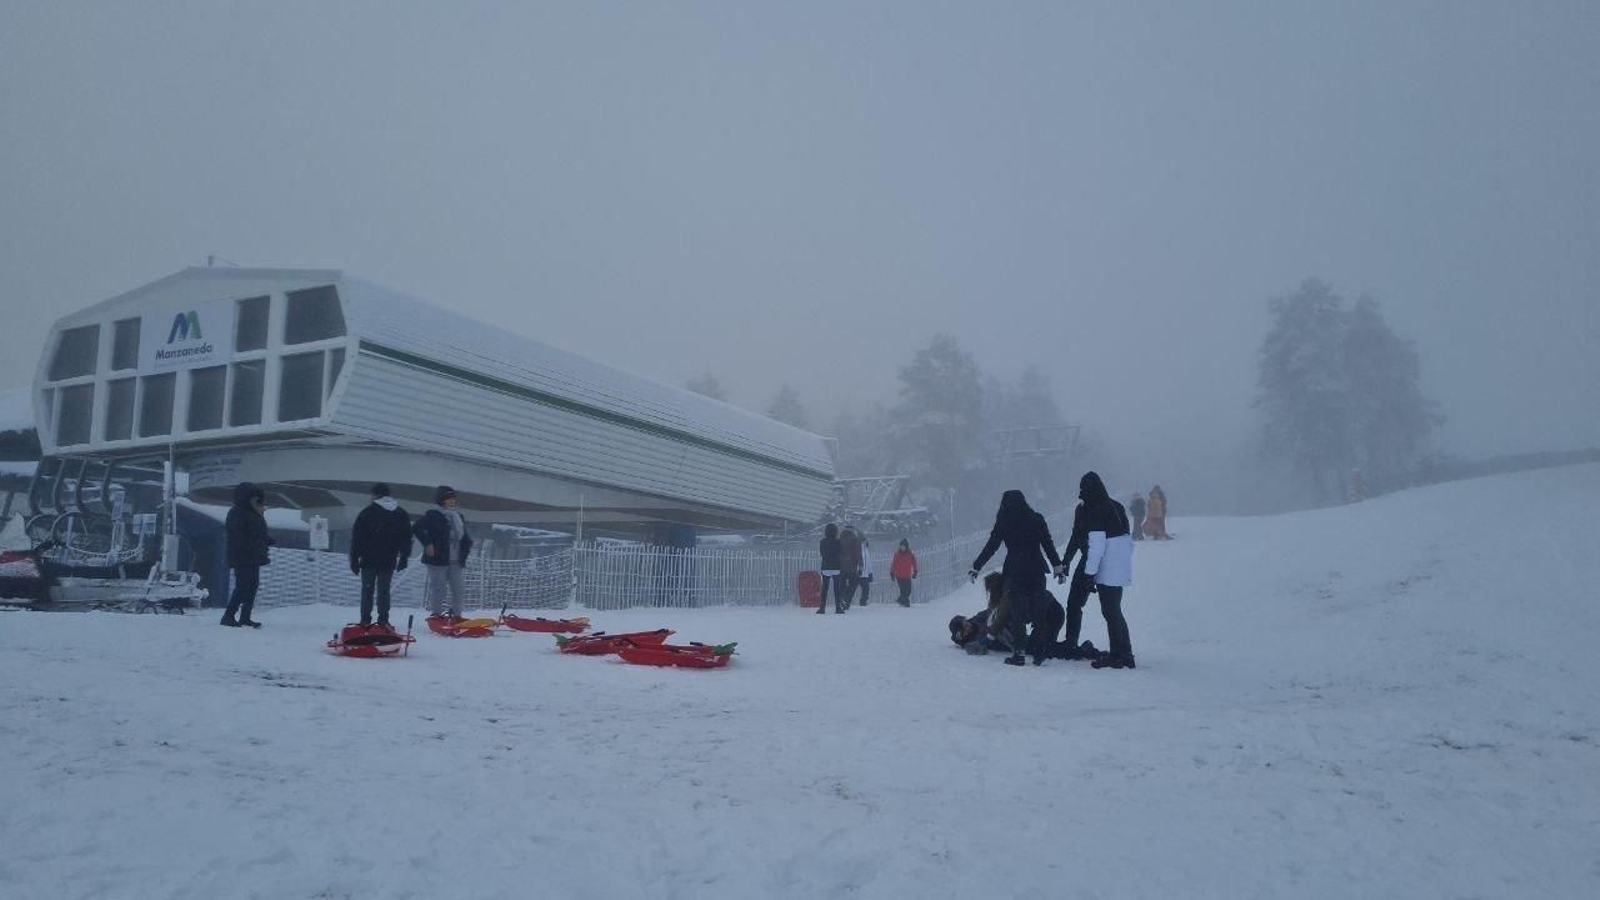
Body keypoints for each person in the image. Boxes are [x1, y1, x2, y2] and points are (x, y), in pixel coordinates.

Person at [968, 489, 1065, 666]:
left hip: (1016, 572)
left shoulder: (1004, 521)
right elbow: (1048, 545)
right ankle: (1040, 653)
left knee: (1018, 613)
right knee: (1038, 611)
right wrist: (1057, 567)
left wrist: (977, 566)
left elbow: (992, 546)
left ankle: (1019, 653)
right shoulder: (1036, 519)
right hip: (1036, 570)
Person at [1060, 471, 1136, 669]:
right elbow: (1078, 536)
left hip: (1097, 562)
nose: (1081, 495)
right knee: (1107, 608)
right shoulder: (1114, 508)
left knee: (1107, 609)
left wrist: (1089, 574)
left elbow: (1096, 545)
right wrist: (1066, 561)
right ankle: (1124, 652)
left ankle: (1118, 654)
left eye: (1083, 490)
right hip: (1109, 563)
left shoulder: (1097, 510)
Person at [951, 572, 1067, 659]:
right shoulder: (973, 638)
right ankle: (1074, 649)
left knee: (1042, 647)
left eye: (966, 622)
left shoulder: (1006, 599)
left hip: (1047, 616)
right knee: (1041, 647)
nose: (968, 626)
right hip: (1015, 637)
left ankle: (1075, 650)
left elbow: (991, 613)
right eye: (965, 627)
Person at [349, 482, 412, 628]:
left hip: (369, 559)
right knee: (384, 591)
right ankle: (383, 621)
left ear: (375, 495)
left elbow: (357, 538)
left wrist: (354, 559)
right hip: (388, 560)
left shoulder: (367, 512)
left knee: (367, 591)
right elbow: (406, 538)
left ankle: (365, 621)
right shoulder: (400, 513)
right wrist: (404, 557)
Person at [413, 485, 473, 619]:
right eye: (448, 498)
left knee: (459, 590)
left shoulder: (458, 517)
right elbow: (417, 528)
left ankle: (457, 616)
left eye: (453, 498)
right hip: (438, 559)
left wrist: (466, 547)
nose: (452, 501)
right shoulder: (433, 515)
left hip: (456, 559)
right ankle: (436, 615)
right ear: (441, 500)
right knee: (439, 589)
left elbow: (464, 537)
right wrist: (428, 543)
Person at [221, 482, 273, 628]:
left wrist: (267, 540)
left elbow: (258, 533)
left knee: (252, 586)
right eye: (255, 499)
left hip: (253, 556)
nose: (258, 502)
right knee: (243, 586)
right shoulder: (236, 513)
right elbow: (239, 536)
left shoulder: (255, 514)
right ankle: (228, 616)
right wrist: (258, 543)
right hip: (242, 556)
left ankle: (245, 617)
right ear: (247, 498)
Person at [817, 523, 843, 614]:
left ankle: (822, 607)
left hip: (826, 566)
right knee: (837, 589)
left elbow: (822, 553)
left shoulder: (822, 542)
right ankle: (838, 607)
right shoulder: (838, 542)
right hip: (836, 566)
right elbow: (841, 553)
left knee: (825, 588)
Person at [838, 524, 863, 612]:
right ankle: (846, 599)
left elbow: (837, 552)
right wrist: (861, 566)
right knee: (854, 583)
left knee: (842, 585)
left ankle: (843, 601)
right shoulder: (855, 539)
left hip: (841, 566)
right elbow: (858, 553)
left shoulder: (839, 539)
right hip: (852, 566)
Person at [890, 539, 919, 607]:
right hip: (899, 576)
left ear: (906, 547)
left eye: (903, 546)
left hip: (907, 575)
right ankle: (905, 603)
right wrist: (892, 573)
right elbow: (893, 564)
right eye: (901, 546)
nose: (902, 548)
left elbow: (914, 563)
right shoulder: (897, 554)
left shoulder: (910, 554)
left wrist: (915, 571)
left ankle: (901, 601)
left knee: (908, 590)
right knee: (903, 591)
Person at [857, 535, 873, 606]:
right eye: (863, 541)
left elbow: (869, 562)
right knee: (853, 587)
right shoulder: (857, 549)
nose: (864, 542)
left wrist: (870, 572)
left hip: (865, 574)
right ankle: (846, 600)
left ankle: (863, 601)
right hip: (858, 572)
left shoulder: (866, 550)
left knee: (866, 588)